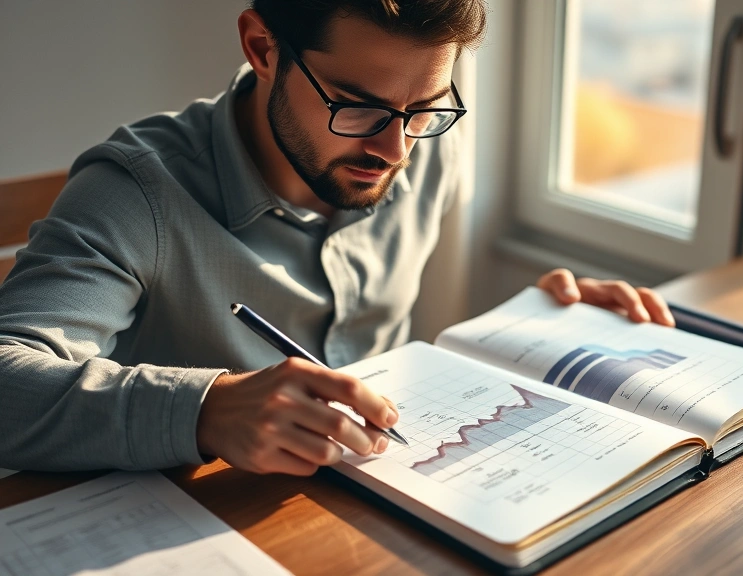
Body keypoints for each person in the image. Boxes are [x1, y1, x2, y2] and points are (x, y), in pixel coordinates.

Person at [0, 0, 675, 477]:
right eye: (358, 106)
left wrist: (540, 329)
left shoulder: (429, 147)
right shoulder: (134, 193)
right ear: (262, 49)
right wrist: (204, 410)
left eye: (425, 108)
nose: (395, 148)